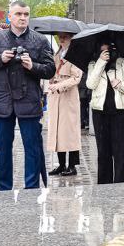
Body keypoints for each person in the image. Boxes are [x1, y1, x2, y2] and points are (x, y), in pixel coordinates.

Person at [0, 1, 55, 190]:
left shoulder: (40, 40)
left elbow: (50, 70)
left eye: (26, 14)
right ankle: (3, 189)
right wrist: (0, 58)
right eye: (18, 14)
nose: (23, 17)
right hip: (3, 102)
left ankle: (31, 190)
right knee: (3, 150)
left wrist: (32, 66)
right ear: (10, 16)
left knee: (32, 149)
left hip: (29, 101)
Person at [86, 41, 124, 184]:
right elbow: (90, 84)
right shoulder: (93, 64)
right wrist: (100, 63)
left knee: (121, 152)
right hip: (99, 113)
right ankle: (104, 186)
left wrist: (121, 85)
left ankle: (122, 185)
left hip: (120, 114)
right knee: (103, 153)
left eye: (108, 50)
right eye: (102, 51)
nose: (106, 53)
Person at [46, 31, 84, 176]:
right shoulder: (57, 54)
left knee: (70, 131)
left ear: (71, 39)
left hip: (68, 97)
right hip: (56, 96)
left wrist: (60, 85)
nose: (61, 40)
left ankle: (72, 165)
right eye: (60, 37)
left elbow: (76, 78)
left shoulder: (75, 55)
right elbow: (54, 72)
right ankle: (61, 164)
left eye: (65, 37)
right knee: (57, 131)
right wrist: (51, 81)